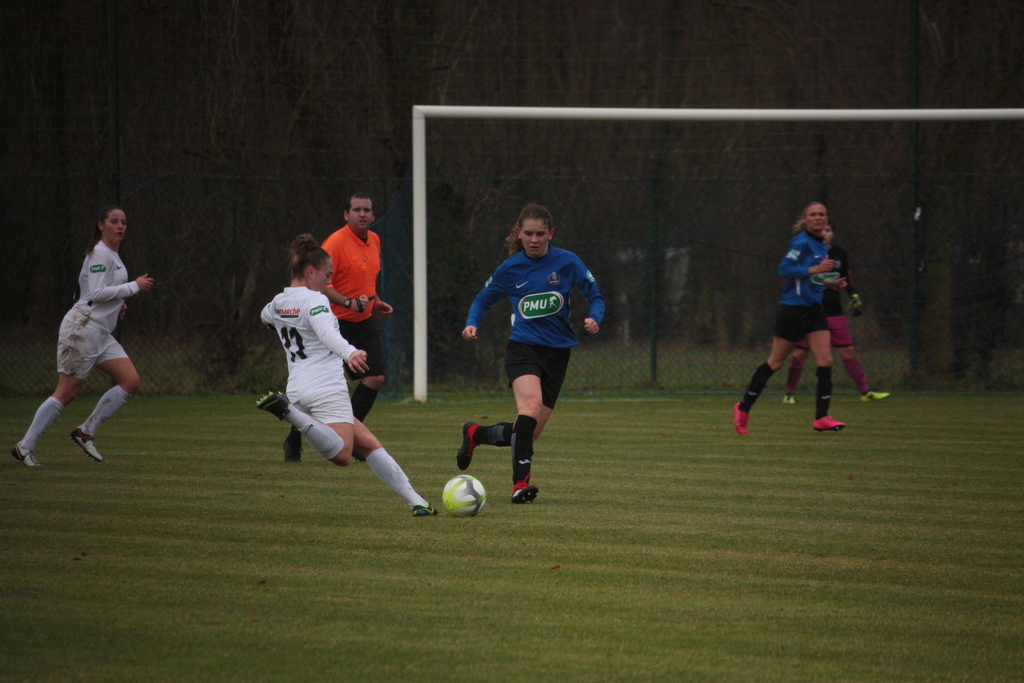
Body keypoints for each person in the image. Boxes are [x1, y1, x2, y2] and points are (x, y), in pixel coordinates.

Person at [258, 234, 435, 516]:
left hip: (299, 388)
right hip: (326, 386)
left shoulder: (279, 302)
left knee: (369, 444)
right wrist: (350, 352)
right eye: (327, 276)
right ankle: (289, 413)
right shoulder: (315, 300)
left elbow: (266, 317)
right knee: (342, 454)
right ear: (310, 272)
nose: (329, 282)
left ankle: (418, 502)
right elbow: (326, 333)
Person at [455, 204, 605, 503]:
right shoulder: (510, 268)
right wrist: (472, 322)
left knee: (528, 434)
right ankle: (519, 485)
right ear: (519, 233)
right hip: (523, 349)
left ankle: (475, 434)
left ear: (551, 233)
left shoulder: (568, 261)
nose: (534, 239)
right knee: (531, 406)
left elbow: (595, 295)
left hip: (558, 354)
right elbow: (483, 299)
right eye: (528, 234)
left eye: (540, 234)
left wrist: (595, 318)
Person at [12, 205, 154, 466]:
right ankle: (24, 447)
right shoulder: (100, 253)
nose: (120, 226)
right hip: (83, 329)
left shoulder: (112, 255)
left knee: (130, 381)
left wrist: (118, 304)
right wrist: (134, 286)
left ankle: (85, 431)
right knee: (67, 392)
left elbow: (94, 293)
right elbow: (96, 293)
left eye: (123, 222)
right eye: (114, 221)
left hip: (100, 333)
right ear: (100, 225)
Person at [281, 192, 393, 462]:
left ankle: (349, 438)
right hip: (331, 320)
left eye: (367, 210)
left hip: (362, 320)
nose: (362, 214)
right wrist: (348, 302)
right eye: (356, 209)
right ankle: (295, 438)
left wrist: (375, 301)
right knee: (320, 387)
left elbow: (367, 279)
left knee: (375, 376)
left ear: (373, 215)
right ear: (346, 214)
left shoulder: (374, 240)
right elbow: (321, 283)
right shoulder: (335, 242)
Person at [733, 202, 845, 435]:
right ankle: (743, 407)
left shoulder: (821, 245)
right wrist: (815, 269)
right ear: (805, 220)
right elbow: (785, 270)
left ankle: (821, 417)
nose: (817, 218)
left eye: (821, 214)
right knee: (775, 363)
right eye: (813, 215)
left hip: (814, 310)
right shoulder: (800, 242)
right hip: (793, 310)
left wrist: (830, 283)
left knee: (826, 360)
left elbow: (809, 278)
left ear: (827, 220)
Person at [782, 222, 890, 404]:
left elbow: (846, 276)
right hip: (809, 310)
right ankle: (789, 393)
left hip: (834, 310)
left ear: (833, 234)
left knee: (847, 351)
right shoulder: (804, 250)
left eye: (828, 230)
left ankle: (866, 391)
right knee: (800, 353)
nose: (824, 233)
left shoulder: (839, 253)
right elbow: (791, 276)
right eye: (821, 230)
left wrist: (854, 295)